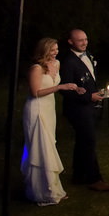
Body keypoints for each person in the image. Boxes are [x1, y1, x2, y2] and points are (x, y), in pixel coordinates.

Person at [21, 37, 77, 205]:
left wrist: (73, 88)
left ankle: (53, 187)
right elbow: (35, 92)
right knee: (40, 146)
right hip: (36, 109)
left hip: (49, 108)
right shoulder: (36, 68)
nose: (55, 53)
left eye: (57, 49)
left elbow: (55, 84)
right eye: (52, 50)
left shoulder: (57, 64)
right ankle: (42, 191)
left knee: (49, 145)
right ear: (43, 51)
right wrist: (60, 87)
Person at [59, 29, 109, 191]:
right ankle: (94, 179)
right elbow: (65, 89)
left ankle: (79, 175)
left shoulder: (88, 55)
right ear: (70, 42)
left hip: (88, 106)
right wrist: (89, 97)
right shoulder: (68, 62)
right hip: (77, 108)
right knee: (89, 141)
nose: (84, 43)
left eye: (86, 39)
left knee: (83, 141)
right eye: (80, 40)